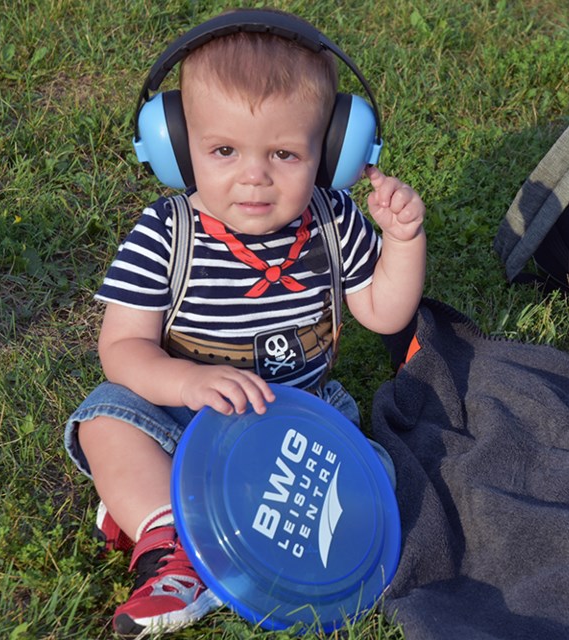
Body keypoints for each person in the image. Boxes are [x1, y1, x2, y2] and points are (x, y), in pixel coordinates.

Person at [63, 9, 425, 638]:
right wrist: (184, 384)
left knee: (378, 477)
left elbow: (383, 312)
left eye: (285, 153)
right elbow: (123, 348)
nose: (254, 175)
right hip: (185, 414)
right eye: (224, 150)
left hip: (298, 414)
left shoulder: (333, 220)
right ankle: (169, 544)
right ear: (178, 148)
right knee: (105, 417)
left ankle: (207, 522)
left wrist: (403, 239)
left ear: (331, 153)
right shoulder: (166, 234)